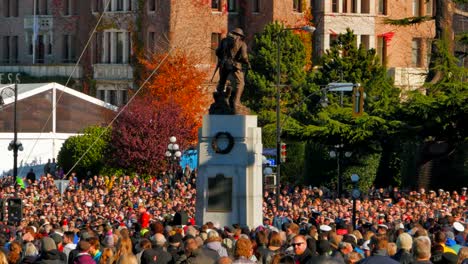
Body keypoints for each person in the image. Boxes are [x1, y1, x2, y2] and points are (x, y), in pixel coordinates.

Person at [214, 27, 251, 114]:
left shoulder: (223, 41)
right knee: (240, 83)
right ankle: (236, 102)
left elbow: (217, 52)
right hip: (234, 66)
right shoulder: (242, 43)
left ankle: (220, 102)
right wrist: (247, 62)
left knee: (222, 82)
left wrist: (222, 57)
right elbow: (244, 57)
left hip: (223, 65)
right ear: (240, 36)